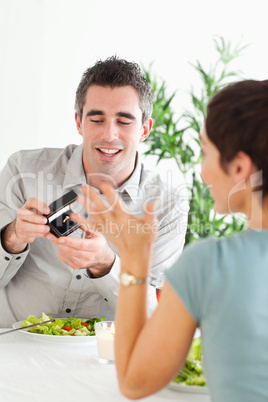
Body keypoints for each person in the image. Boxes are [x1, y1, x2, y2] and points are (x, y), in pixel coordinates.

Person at [73, 80, 268, 402]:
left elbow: (136, 383)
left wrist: (134, 261)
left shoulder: (211, 264)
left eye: (207, 153)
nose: (203, 174)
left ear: (238, 167)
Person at [0, 56, 188, 327]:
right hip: (13, 351)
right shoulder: (21, 172)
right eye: (97, 119)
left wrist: (106, 265)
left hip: (98, 361)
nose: (109, 135)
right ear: (79, 122)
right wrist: (12, 237)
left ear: (144, 129)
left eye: (124, 121)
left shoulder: (168, 205)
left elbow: (154, 318)